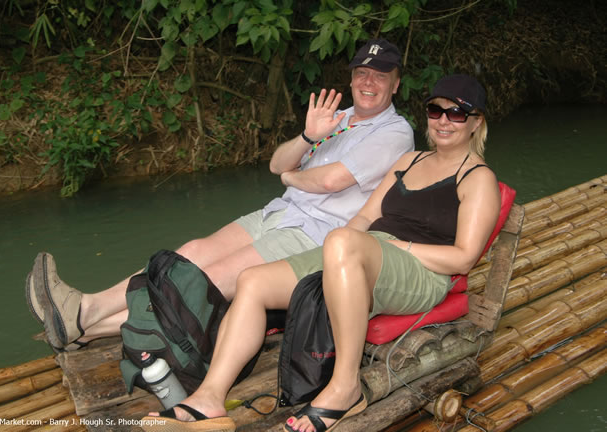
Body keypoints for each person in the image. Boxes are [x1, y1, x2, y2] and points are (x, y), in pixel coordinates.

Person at [139, 73, 501, 432]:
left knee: (343, 241)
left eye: (456, 113)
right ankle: (208, 399)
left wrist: (384, 246)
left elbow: (464, 258)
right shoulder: (409, 161)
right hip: (366, 254)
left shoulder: (477, 177)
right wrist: (338, 252)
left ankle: (345, 389)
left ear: (476, 122)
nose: (443, 121)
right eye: (436, 110)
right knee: (253, 281)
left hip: (421, 272)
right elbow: (364, 216)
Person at [26, 38, 414, 352]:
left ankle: (83, 318)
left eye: (380, 76)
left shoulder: (395, 132)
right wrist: (308, 137)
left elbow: (331, 181)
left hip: (316, 233)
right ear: (351, 79)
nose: (368, 82)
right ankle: (84, 320)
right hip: (279, 211)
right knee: (191, 252)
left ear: (395, 84)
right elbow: (277, 164)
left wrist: (294, 178)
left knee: (206, 280)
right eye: (362, 72)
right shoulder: (336, 118)